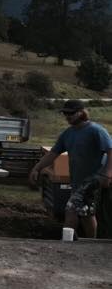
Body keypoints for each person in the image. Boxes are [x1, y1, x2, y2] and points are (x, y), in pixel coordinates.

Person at [30, 99, 112, 238]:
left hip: (94, 178)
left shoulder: (96, 130)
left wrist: (108, 173)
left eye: (71, 113)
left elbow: (110, 150)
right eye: (65, 113)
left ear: (81, 113)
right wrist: (36, 168)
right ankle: (91, 242)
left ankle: (67, 243)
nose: (67, 116)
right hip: (77, 180)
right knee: (86, 214)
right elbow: (53, 154)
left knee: (71, 209)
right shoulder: (68, 134)